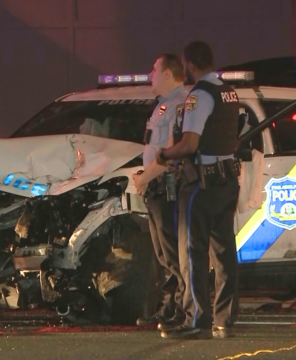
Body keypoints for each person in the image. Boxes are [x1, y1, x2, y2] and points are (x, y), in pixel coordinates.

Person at [156, 41, 240, 340]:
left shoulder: (200, 96)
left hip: (202, 185)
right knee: (224, 252)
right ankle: (225, 319)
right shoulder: (229, 92)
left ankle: (197, 321)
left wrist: (165, 154)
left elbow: (190, 143)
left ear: (189, 64)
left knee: (192, 254)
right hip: (227, 181)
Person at [133, 54, 188, 330]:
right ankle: (170, 307)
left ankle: (181, 310)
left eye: (154, 69)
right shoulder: (163, 105)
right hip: (155, 186)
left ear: (167, 73)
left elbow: (171, 152)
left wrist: (146, 176)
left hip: (167, 186)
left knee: (172, 251)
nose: (150, 73)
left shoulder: (180, 104)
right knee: (163, 254)